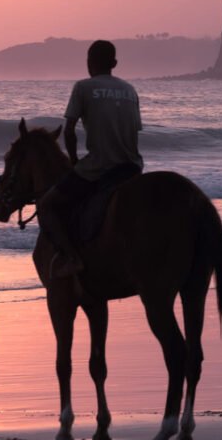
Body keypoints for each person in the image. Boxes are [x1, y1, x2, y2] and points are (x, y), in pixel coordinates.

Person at [38, 39, 144, 279]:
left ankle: (71, 258)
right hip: (132, 167)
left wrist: (74, 162)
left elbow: (68, 131)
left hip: (99, 167)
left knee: (47, 205)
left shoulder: (83, 87)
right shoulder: (130, 90)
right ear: (114, 63)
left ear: (88, 62)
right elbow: (134, 131)